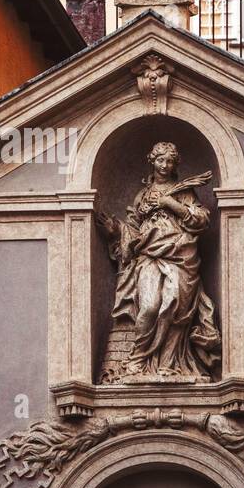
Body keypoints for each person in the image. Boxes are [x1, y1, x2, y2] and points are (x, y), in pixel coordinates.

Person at [95, 141, 221, 381]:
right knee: (150, 306)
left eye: (170, 161)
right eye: (161, 160)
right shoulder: (142, 195)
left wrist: (170, 204)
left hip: (182, 256)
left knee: (176, 309)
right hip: (149, 255)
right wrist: (115, 229)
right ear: (152, 161)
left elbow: (202, 220)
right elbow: (133, 230)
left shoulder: (183, 191)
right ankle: (138, 361)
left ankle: (169, 364)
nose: (165, 165)